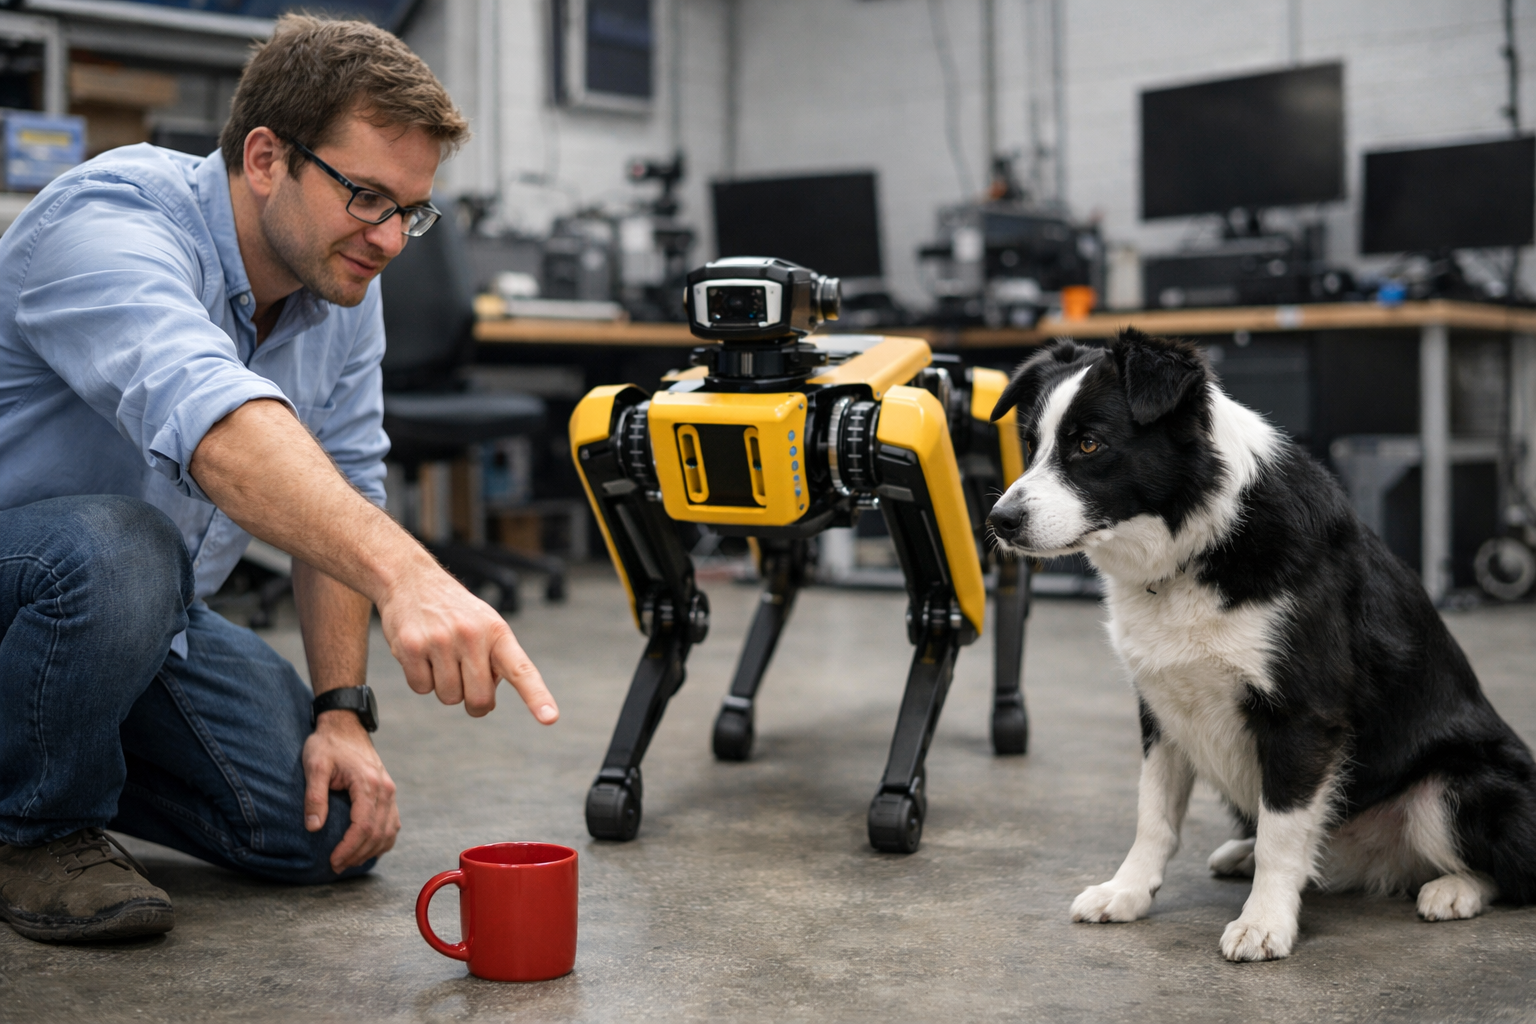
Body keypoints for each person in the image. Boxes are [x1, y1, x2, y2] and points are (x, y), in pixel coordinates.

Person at [0, 15, 558, 944]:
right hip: (38, 579)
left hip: (131, 621)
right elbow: (213, 425)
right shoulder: (105, 225)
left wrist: (344, 711)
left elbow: (342, 481)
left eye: (410, 211)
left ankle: (47, 738)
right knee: (122, 550)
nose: (389, 241)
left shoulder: (340, 287)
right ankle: (34, 827)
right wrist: (408, 576)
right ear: (265, 157)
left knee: (325, 830)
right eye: (367, 197)